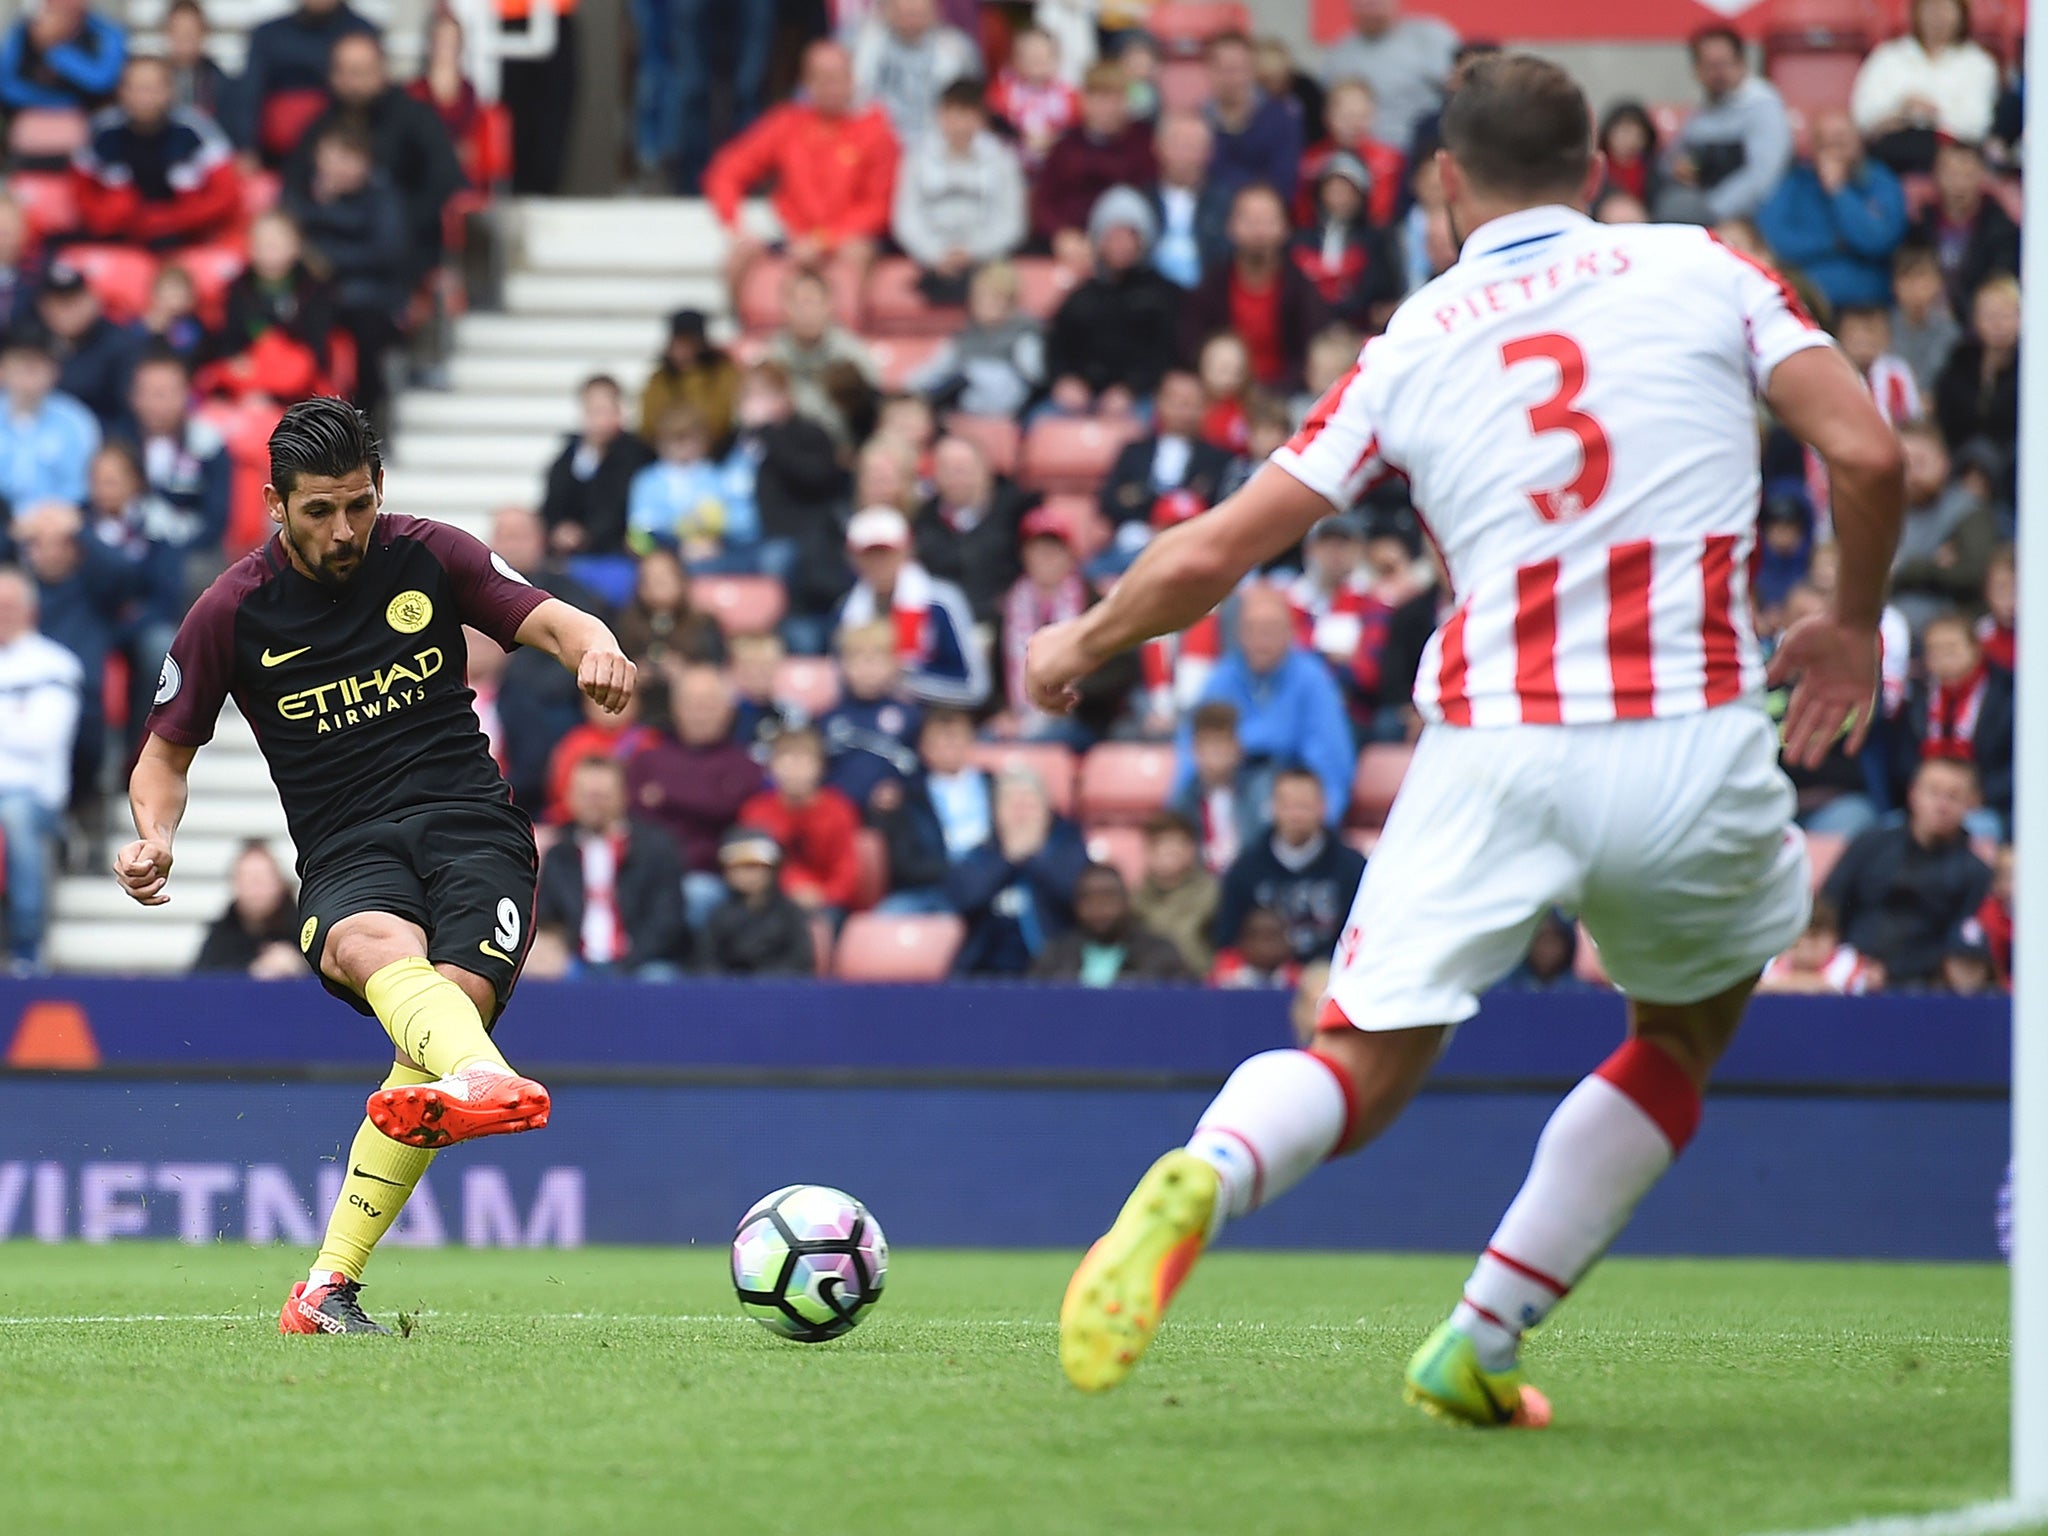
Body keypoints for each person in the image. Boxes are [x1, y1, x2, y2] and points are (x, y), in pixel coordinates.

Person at [1024, 54, 1904, 1420]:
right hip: (1690, 729)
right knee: (1679, 1029)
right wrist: (1849, 624)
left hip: (1496, 742)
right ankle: (1480, 1344)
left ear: (1445, 181)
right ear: (1600, 173)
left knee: (1359, 1065)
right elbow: (1869, 457)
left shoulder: (1414, 339)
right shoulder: (1707, 268)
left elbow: (1212, 553)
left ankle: (1208, 1168)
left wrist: (1077, 645)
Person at [116, 398, 637, 1334]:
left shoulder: (430, 555)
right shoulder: (230, 609)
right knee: (367, 943)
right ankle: (467, 1094)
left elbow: (551, 618)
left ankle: (330, 1283)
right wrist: (155, 838)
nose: (344, 528)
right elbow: (163, 758)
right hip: (346, 846)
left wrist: (598, 647)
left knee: (446, 1008)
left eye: (358, 504)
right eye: (318, 511)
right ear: (276, 504)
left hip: (472, 825)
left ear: (380, 488)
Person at [706, 41, 898, 302]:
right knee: (738, 257)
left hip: (846, 238)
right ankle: (746, 337)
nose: (832, 87)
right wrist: (734, 226)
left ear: (853, 80)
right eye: (823, 79)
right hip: (793, 236)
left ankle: (850, 335)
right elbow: (727, 170)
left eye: (839, 78)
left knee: (857, 254)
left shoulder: (876, 129)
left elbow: (879, 206)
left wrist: (822, 241)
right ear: (807, 83)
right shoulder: (787, 122)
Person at [289, 33, 467, 293]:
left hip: (401, 251)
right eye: (343, 71)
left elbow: (445, 182)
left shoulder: (415, 119)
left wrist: (395, 220)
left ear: (381, 70)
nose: (351, 82)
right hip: (330, 249)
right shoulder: (321, 125)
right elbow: (295, 183)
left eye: (360, 71)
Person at [1171, 583, 1353, 825]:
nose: (1262, 640)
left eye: (1271, 630)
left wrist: (1320, 827)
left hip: (1287, 800)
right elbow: (1191, 753)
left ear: (1290, 633)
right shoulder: (1221, 678)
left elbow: (1331, 764)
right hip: (1227, 796)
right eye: (1253, 630)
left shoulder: (1313, 680)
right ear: (1239, 634)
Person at [283, 125, 408, 427]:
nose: (339, 167)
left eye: (349, 158)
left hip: (369, 299)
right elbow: (288, 242)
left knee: (367, 339)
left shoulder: (382, 196)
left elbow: (388, 252)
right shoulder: (299, 193)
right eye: (333, 157)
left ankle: (369, 421)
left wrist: (327, 259)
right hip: (313, 296)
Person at [1824, 759, 1989, 986]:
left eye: (1953, 796)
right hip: (1848, 972)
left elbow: (1964, 943)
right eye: (1933, 793)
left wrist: (1891, 973)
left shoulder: (1976, 872)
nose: (1942, 805)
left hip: (1925, 988)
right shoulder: (1871, 844)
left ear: (1972, 803)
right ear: (1913, 793)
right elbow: (1829, 905)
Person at [626, 661, 763, 922]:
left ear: (728, 710)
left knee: (695, 894)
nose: (700, 713)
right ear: (675, 709)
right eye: (691, 704)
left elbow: (727, 809)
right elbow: (636, 816)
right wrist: (706, 801)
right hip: (648, 874)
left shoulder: (745, 765)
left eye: (709, 704)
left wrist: (667, 797)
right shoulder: (648, 760)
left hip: (711, 877)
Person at [536, 754, 690, 975]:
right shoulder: (560, 852)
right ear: (569, 797)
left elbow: (667, 920)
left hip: (640, 963)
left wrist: (627, 962)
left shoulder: (655, 847)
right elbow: (548, 918)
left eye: (602, 796)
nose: (593, 805)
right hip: (575, 964)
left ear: (623, 796)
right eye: (586, 796)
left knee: (659, 977)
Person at [72, 56, 241, 251]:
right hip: (119, 236)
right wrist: (113, 216)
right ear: (121, 91)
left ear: (169, 91)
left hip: (186, 238)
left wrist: (174, 220)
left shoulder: (196, 129)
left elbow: (226, 193)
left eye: (152, 88)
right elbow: (81, 192)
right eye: (135, 88)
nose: (143, 97)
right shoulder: (102, 131)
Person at [0, 564, 81, 974]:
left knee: (14, 815)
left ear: (30, 609)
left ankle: (28, 948)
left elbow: (44, 737)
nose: (3, 613)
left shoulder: (55, 663)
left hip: (35, 799)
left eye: (10, 605)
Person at [1044, 187, 1182, 416]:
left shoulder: (1163, 295)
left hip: (1140, 397)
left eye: (1129, 235)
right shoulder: (1081, 295)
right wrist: (1064, 381)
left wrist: (1130, 389)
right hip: (1079, 398)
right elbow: (1056, 347)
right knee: (1041, 421)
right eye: (1113, 235)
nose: (1121, 244)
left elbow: (1165, 354)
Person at [835, 506, 988, 708]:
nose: (879, 563)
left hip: (934, 717)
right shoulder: (847, 609)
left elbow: (975, 686)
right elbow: (838, 676)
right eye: (869, 555)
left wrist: (900, 682)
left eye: (886, 553)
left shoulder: (941, 602)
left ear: (907, 551)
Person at [891, 79, 1027, 307]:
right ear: (940, 115)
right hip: (928, 262)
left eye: (968, 115)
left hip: (986, 260)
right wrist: (935, 254)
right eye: (954, 115)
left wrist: (973, 252)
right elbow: (905, 218)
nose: (960, 125)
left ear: (981, 118)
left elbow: (1012, 223)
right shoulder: (917, 158)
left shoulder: (1002, 159)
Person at [1184, 184, 1333, 393]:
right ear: (1230, 227)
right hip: (1220, 393)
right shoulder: (1212, 284)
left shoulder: (1302, 288)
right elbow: (1193, 345)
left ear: (1286, 228)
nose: (1258, 231)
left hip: (1287, 396)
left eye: (1267, 221)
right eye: (1249, 221)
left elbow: (1312, 351)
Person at [1755, 110, 1907, 314]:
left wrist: (1839, 191)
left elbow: (1879, 240)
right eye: (1825, 143)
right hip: (1807, 303)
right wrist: (1833, 243)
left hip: (1868, 305)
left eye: (1841, 140)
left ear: (1859, 141)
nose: (1834, 151)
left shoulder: (1880, 180)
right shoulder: (1795, 182)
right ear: (1812, 149)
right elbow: (1774, 239)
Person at [1210, 768, 1366, 965]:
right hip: (1262, 981)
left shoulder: (1352, 867)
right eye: (1288, 806)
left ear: (1323, 807)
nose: (1296, 815)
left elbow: (1363, 935)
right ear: (1273, 807)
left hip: (1331, 975)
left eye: (1305, 806)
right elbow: (1227, 939)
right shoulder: (1245, 868)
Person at [946, 763, 1087, 976]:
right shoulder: (979, 855)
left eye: (1029, 805)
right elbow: (963, 900)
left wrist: (1034, 860)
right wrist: (1008, 861)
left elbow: (1077, 897)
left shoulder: (1070, 848)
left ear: (1047, 811)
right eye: (1012, 805)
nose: (1021, 815)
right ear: (994, 812)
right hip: (985, 971)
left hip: (1056, 971)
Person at [1655, 27, 1793, 227]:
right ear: (1697, 71)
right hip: (1702, 204)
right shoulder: (1703, 111)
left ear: (1741, 63)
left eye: (1723, 64)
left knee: (1679, 209)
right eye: (1709, 66)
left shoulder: (1763, 106)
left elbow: (1762, 177)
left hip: (1755, 215)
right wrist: (1679, 167)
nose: (1717, 73)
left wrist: (1711, 210)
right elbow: (1670, 161)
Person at [197, 209, 334, 404]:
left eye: (277, 242)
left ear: (296, 246)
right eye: (262, 243)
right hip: (248, 380)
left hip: (298, 385)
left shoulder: (313, 289)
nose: (269, 249)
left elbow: (317, 349)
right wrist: (236, 359)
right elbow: (228, 340)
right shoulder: (237, 288)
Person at [1851, 0, 1999, 174]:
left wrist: (1933, 112)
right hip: (1891, 148)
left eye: (1945, 8)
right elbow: (1863, 117)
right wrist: (1903, 111)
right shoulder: (1887, 57)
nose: (1937, 16)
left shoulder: (1978, 63)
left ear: (1961, 13)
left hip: (1951, 152)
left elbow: (1976, 125)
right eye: (1930, 8)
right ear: (1916, 12)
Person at [1031, 59, 1156, 260]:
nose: (1108, 108)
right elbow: (1044, 203)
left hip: (1124, 246)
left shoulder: (1143, 144)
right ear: (1085, 100)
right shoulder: (1065, 147)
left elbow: (1148, 201)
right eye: (1100, 98)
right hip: (1070, 241)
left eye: (1115, 98)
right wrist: (1061, 235)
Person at [1906, 611, 2012, 834]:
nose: (1944, 656)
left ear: (1976, 649)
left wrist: (1977, 795)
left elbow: (2018, 764)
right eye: (1935, 650)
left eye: (1952, 647)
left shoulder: (2007, 695)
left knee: (1980, 830)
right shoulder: (1917, 697)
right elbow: (1903, 758)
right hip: (1924, 806)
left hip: (1988, 805)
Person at [737, 724, 862, 913]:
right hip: (769, 902)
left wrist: (824, 895)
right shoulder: (755, 811)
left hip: (824, 903)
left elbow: (847, 870)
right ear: (771, 767)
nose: (795, 771)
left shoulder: (839, 810)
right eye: (787, 761)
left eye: (804, 762)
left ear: (820, 767)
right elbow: (748, 866)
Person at [236, 0, 378, 162]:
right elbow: (249, 95)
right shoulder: (269, 34)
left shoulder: (361, 33)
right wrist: (246, 148)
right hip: (274, 156)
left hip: (342, 155)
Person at [126, 345, 229, 563]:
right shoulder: (118, 443)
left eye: (165, 393)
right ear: (133, 396)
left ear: (186, 394)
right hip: (128, 550)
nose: (156, 403)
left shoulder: (208, 443)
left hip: (190, 553)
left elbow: (216, 517)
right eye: (149, 393)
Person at [916, 434, 1032, 624]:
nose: (957, 478)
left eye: (963, 469)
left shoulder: (1018, 512)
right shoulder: (922, 521)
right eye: (948, 470)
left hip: (1007, 624)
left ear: (985, 470)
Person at [908, 260, 1045, 419]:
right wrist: (907, 390)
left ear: (1010, 301)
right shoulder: (964, 335)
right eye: (981, 297)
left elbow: (1036, 375)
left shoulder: (1025, 333)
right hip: (965, 408)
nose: (986, 304)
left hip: (1010, 409)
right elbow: (935, 369)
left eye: (995, 298)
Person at [1317, 0, 1456, 157]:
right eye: (1362, 3)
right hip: (1357, 160)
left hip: (1416, 156)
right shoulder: (1339, 52)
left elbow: (1458, 92)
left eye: (1377, 3)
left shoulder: (1429, 37)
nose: (1370, 9)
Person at [765, 266, 880, 450]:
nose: (806, 311)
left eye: (812, 302)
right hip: (789, 451)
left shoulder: (851, 356)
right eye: (798, 303)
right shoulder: (772, 357)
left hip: (843, 450)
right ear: (785, 308)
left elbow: (871, 408)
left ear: (829, 306)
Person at [541, 375, 655, 558]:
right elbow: (552, 503)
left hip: (616, 552)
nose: (598, 419)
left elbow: (622, 506)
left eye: (604, 410)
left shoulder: (637, 453)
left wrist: (586, 534)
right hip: (569, 554)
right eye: (592, 410)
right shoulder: (569, 455)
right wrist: (558, 529)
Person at [1291, 152, 1404, 333]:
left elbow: (1380, 289)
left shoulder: (1376, 240)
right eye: (1333, 190)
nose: (1339, 198)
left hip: (1359, 328)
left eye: (1346, 191)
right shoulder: (1303, 240)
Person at [1908, 136, 2019, 321]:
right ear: (1936, 175)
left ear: (1982, 175)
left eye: (1967, 174)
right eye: (1951, 174)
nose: (1959, 184)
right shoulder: (1921, 223)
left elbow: (2001, 279)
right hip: (1929, 318)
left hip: (1979, 322)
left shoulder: (2001, 228)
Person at [1030, 862, 1191, 984]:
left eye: (1108, 897)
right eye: (1090, 899)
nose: (1100, 908)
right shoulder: (1055, 957)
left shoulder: (1161, 955)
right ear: (1077, 905)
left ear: (1127, 901)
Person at [848, 0, 978, 146]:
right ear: (888, 11)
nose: (910, 20)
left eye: (917, 13)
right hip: (874, 141)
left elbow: (969, 104)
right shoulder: (861, 41)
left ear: (934, 13)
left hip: (938, 144)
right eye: (904, 13)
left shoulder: (959, 49)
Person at [0, 324, 99, 509]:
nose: (29, 376)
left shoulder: (77, 421)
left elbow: (84, 487)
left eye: (37, 366)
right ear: (2, 369)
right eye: (21, 365)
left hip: (60, 526)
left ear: (55, 371)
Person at [699, 823, 816, 976]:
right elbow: (705, 962)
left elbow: (801, 961)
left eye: (755, 867)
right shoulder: (718, 915)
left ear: (772, 869)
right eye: (738, 867)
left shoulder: (790, 914)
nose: (748, 875)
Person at [38, 262, 142, 430]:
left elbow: (128, 415)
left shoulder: (121, 345)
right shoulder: (32, 342)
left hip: (102, 443)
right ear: (43, 307)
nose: (67, 310)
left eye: (74, 300)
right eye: (58, 302)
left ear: (93, 299)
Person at [1933, 274, 2020, 475]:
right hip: (1959, 461)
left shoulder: (2031, 370)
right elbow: (1946, 416)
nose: (1998, 324)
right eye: (1990, 316)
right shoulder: (1959, 362)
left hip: (2011, 467)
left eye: (2005, 315)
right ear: (1976, 319)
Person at [626, 406, 733, 564]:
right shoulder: (647, 480)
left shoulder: (715, 477)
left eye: (689, 439)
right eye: (675, 440)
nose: (682, 447)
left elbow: (728, 521)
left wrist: (708, 542)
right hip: (661, 556)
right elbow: (640, 529)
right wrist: (679, 545)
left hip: (709, 556)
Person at [1146, 111, 1232, 291]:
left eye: (1193, 146)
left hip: (1207, 296)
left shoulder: (1226, 203)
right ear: (1157, 147)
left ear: (1209, 152)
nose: (1184, 154)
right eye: (1177, 144)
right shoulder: (1140, 202)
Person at [192, 839, 304, 976]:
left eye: (262, 879)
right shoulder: (221, 936)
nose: (256, 888)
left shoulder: (304, 930)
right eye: (248, 879)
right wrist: (252, 971)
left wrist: (299, 966)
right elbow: (201, 982)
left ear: (280, 883)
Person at [1131, 809, 1219, 975]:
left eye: (1177, 843)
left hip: (1198, 984)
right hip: (1148, 985)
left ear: (1191, 849)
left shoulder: (1213, 894)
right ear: (1148, 851)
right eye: (1161, 843)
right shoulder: (1135, 899)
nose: (1169, 851)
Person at [0, 0, 125, 115]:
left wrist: (55, 49)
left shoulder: (106, 32)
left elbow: (102, 82)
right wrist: (54, 102)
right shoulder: (24, 30)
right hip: (28, 116)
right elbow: (6, 86)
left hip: (92, 119)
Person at [639, 309, 740, 449]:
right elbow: (649, 424)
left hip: (716, 450)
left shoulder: (723, 373)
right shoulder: (659, 379)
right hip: (667, 452)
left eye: (689, 342)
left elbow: (722, 417)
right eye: (679, 342)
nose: (683, 349)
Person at [987, 24, 1078, 172]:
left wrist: (1051, 141)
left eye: (1043, 55)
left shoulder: (1070, 95)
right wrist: (1023, 138)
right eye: (1030, 55)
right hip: (1010, 168)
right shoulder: (1001, 90)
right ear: (1016, 58)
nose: (1037, 60)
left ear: (1056, 58)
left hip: (1058, 170)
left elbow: (1077, 133)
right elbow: (994, 127)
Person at [1757, 899, 1878, 995]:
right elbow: (1756, 989)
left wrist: (1778, 986)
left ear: (1833, 937)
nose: (1804, 945)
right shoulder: (1770, 962)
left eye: (1813, 937)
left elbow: (1832, 989)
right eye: (1797, 937)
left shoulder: (1847, 962)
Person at [1891, 243, 1961, 394]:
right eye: (1907, 279)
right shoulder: (1884, 327)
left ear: (1938, 283)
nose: (1915, 287)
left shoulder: (1950, 332)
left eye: (1922, 277)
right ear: (1895, 285)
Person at [1207, 905, 1302, 989]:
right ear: (1242, 942)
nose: (1267, 946)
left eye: (1275, 936)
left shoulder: (1301, 982)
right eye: (1261, 937)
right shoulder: (1223, 982)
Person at [1596, 102, 1662, 214]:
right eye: (1624, 132)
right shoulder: (1597, 167)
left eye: (1636, 134)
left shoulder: (1653, 170)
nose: (1629, 140)